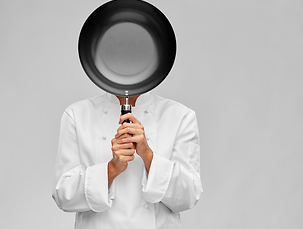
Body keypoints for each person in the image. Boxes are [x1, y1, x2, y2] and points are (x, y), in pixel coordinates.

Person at [52, 91, 202, 229]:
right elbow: (64, 196)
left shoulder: (180, 116)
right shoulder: (77, 114)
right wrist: (111, 169)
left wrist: (148, 156)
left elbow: (188, 196)